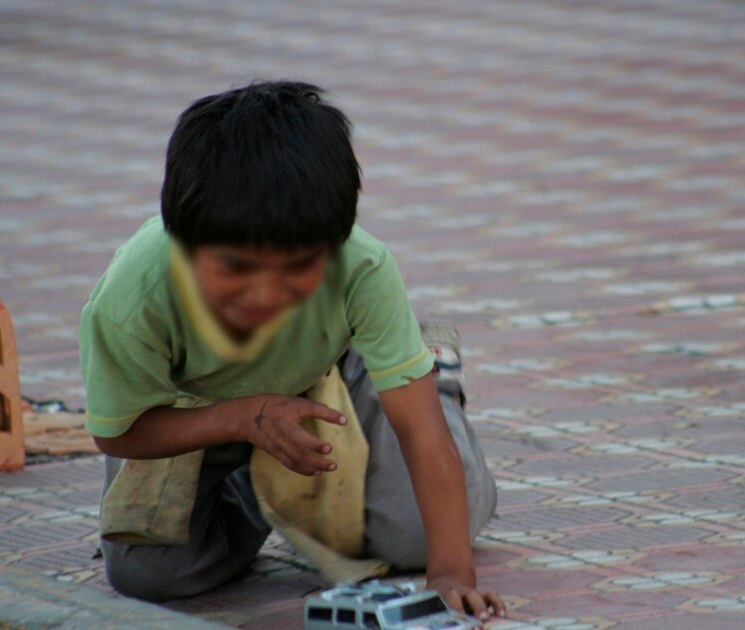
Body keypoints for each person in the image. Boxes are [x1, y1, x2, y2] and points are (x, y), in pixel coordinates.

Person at [78, 81, 504, 619]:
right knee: (151, 575)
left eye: (298, 270)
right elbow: (117, 431)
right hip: (199, 410)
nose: (265, 296)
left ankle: (428, 367)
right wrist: (248, 419)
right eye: (235, 269)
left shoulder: (362, 267)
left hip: (336, 369)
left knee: (416, 538)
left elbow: (418, 432)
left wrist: (450, 575)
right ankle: (255, 483)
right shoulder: (131, 299)